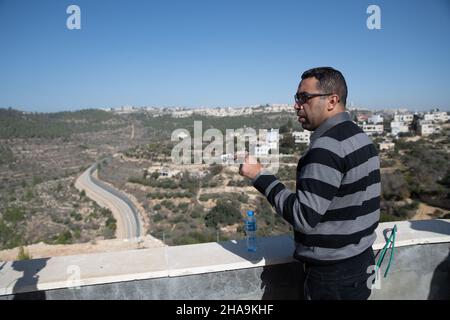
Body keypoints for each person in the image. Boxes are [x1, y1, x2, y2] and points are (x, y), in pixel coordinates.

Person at [239, 67, 380, 300]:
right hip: (361, 262)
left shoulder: (326, 149)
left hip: (332, 277)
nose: (296, 105)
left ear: (332, 100)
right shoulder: (359, 137)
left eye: (304, 98)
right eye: (297, 98)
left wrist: (259, 175)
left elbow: (303, 217)